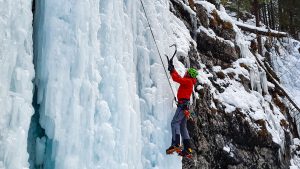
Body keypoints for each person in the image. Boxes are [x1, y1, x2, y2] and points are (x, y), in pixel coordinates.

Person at [166, 59, 198, 157]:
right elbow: (179, 78)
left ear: (190, 74)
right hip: (185, 105)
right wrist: (173, 69)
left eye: (187, 72)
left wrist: (171, 70)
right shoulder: (189, 82)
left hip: (182, 105)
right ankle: (188, 149)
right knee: (183, 127)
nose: (185, 73)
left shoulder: (188, 81)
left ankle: (176, 143)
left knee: (174, 123)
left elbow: (177, 79)